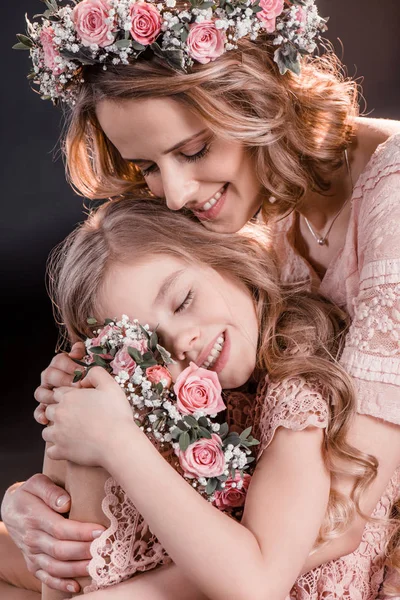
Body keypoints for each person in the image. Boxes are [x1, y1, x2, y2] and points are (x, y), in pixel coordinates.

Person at [3, 0, 400, 595]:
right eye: (147, 166)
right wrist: (38, 505)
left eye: (191, 151)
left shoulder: (391, 197)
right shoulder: (261, 210)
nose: (174, 194)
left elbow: (337, 520)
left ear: (254, 101)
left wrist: (122, 588)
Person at [25, 196, 400, 598]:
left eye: (184, 300)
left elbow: (256, 585)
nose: (182, 341)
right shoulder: (202, 400)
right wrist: (73, 402)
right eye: (152, 344)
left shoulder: (298, 378)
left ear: (226, 256)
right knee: (84, 408)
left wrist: (117, 442)